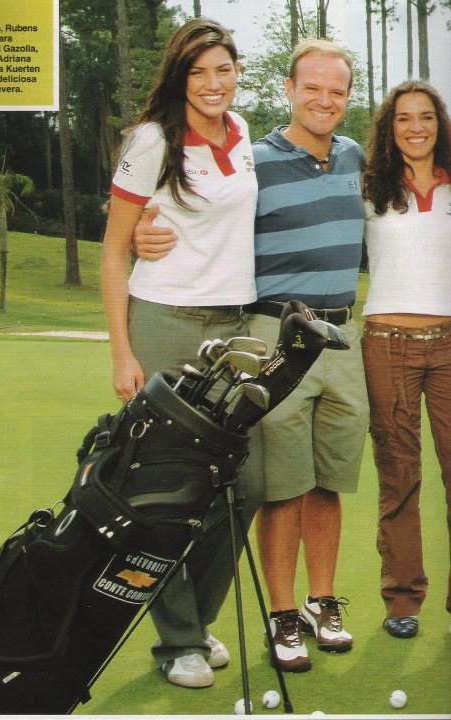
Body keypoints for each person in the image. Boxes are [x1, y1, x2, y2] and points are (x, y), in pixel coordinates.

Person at [134, 38, 370, 673]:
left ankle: (324, 602)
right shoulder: (253, 159)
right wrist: (136, 227)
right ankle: (283, 614)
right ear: (289, 89)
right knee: (279, 483)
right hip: (278, 336)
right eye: (312, 87)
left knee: (328, 482)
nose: (324, 100)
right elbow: (190, 206)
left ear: (348, 98)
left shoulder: (354, 155)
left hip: (344, 339)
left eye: (337, 91)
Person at [101, 19, 264, 689]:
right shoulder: (149, 141)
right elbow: (113, 249)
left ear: (235, 72)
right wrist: (120, 352)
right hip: (163, 320)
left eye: (222, 69)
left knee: (244, 487)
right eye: (198, 72)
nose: (212, 83)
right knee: (163, 490)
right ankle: (177, 644)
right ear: (179, 77)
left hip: (233, 325)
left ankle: (193, 621)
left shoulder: (243, 132)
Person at [361, 81, 451, 639]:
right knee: (399, 475)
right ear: (388, 128)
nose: (415, 127)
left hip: (450, 342)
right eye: (403, 119)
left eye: (426, 117)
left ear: (440, 124)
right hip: (386, 341)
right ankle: (402, 599)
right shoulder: (368, 186)